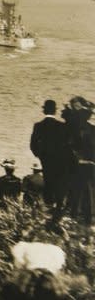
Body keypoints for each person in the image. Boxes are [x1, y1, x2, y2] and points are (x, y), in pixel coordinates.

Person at [30, 99, 74, 220]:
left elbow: (33, 145)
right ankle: (58, 208)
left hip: (46, 160)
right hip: (60, 160)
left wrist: (40, 155)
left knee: (49, 181)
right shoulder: (61, 126)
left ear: (44, 110)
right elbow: (67, 144)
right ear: (55, 111)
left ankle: (49, 208)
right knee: (59, 182)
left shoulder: (38, 126)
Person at [65, 96, 95, 226]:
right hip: (81, 165)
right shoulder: (74, 128)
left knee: (83, 192)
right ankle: (80, 217)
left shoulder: (86, 129)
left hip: (83, 165)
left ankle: (82, 217)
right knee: (82, 192)